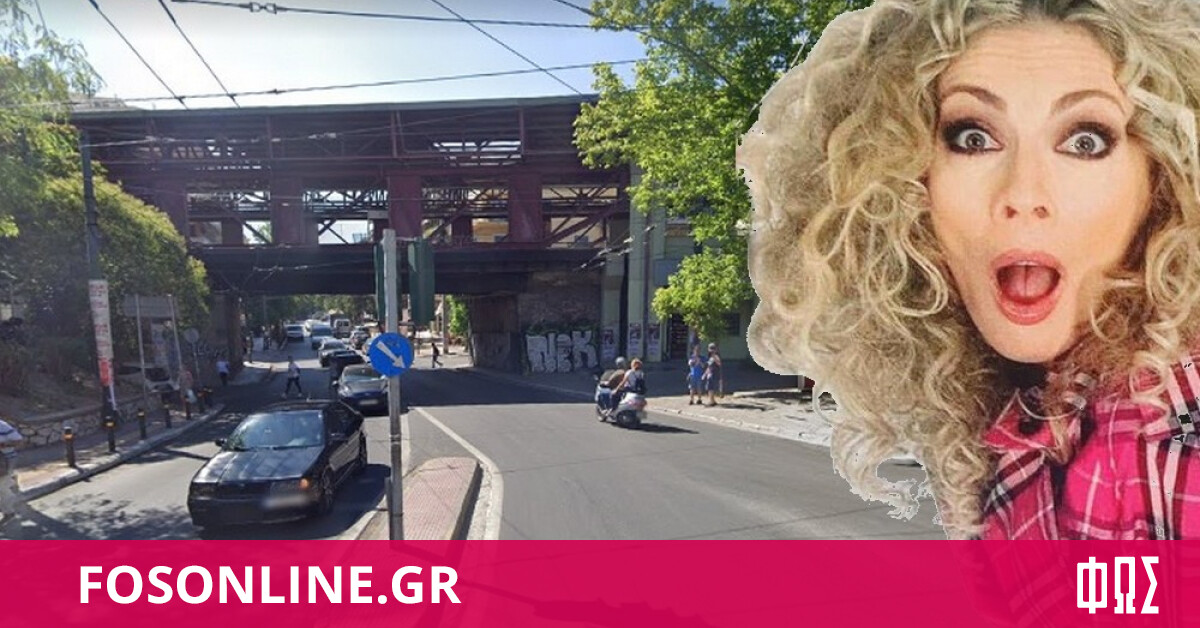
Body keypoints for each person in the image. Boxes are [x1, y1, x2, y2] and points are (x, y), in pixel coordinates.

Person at [739, 0, 1200, 539]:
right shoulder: (1024, 412)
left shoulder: (1160, 441)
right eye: (973, 138)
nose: (1023, 194)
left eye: (1085, 141)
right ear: (906, 185)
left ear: (1163, 183)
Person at [0, 417, 24, 523]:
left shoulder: (2, 426)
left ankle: (8, 512)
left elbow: (19, 441)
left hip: (5, 460)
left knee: (2, 487)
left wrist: (3, 445)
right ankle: (12, 483)